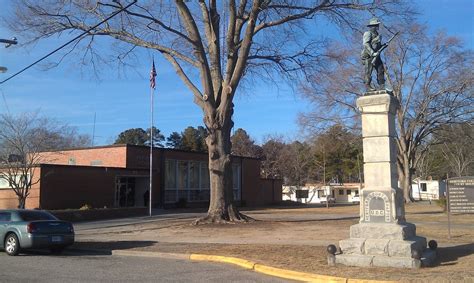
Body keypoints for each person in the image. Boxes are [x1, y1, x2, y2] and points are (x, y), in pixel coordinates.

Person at [361, 18, 385, 91]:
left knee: (380, 69)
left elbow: (377, 45)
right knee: (368, 71)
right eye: (376, 25)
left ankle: (382, 85)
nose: (378, 26)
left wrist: (383, 46)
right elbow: (366, 44)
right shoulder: (368, 33)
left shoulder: (377, 34)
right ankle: (367, 85)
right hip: (368, 56)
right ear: (372, 26)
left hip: (377, 55)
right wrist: (372, 53)